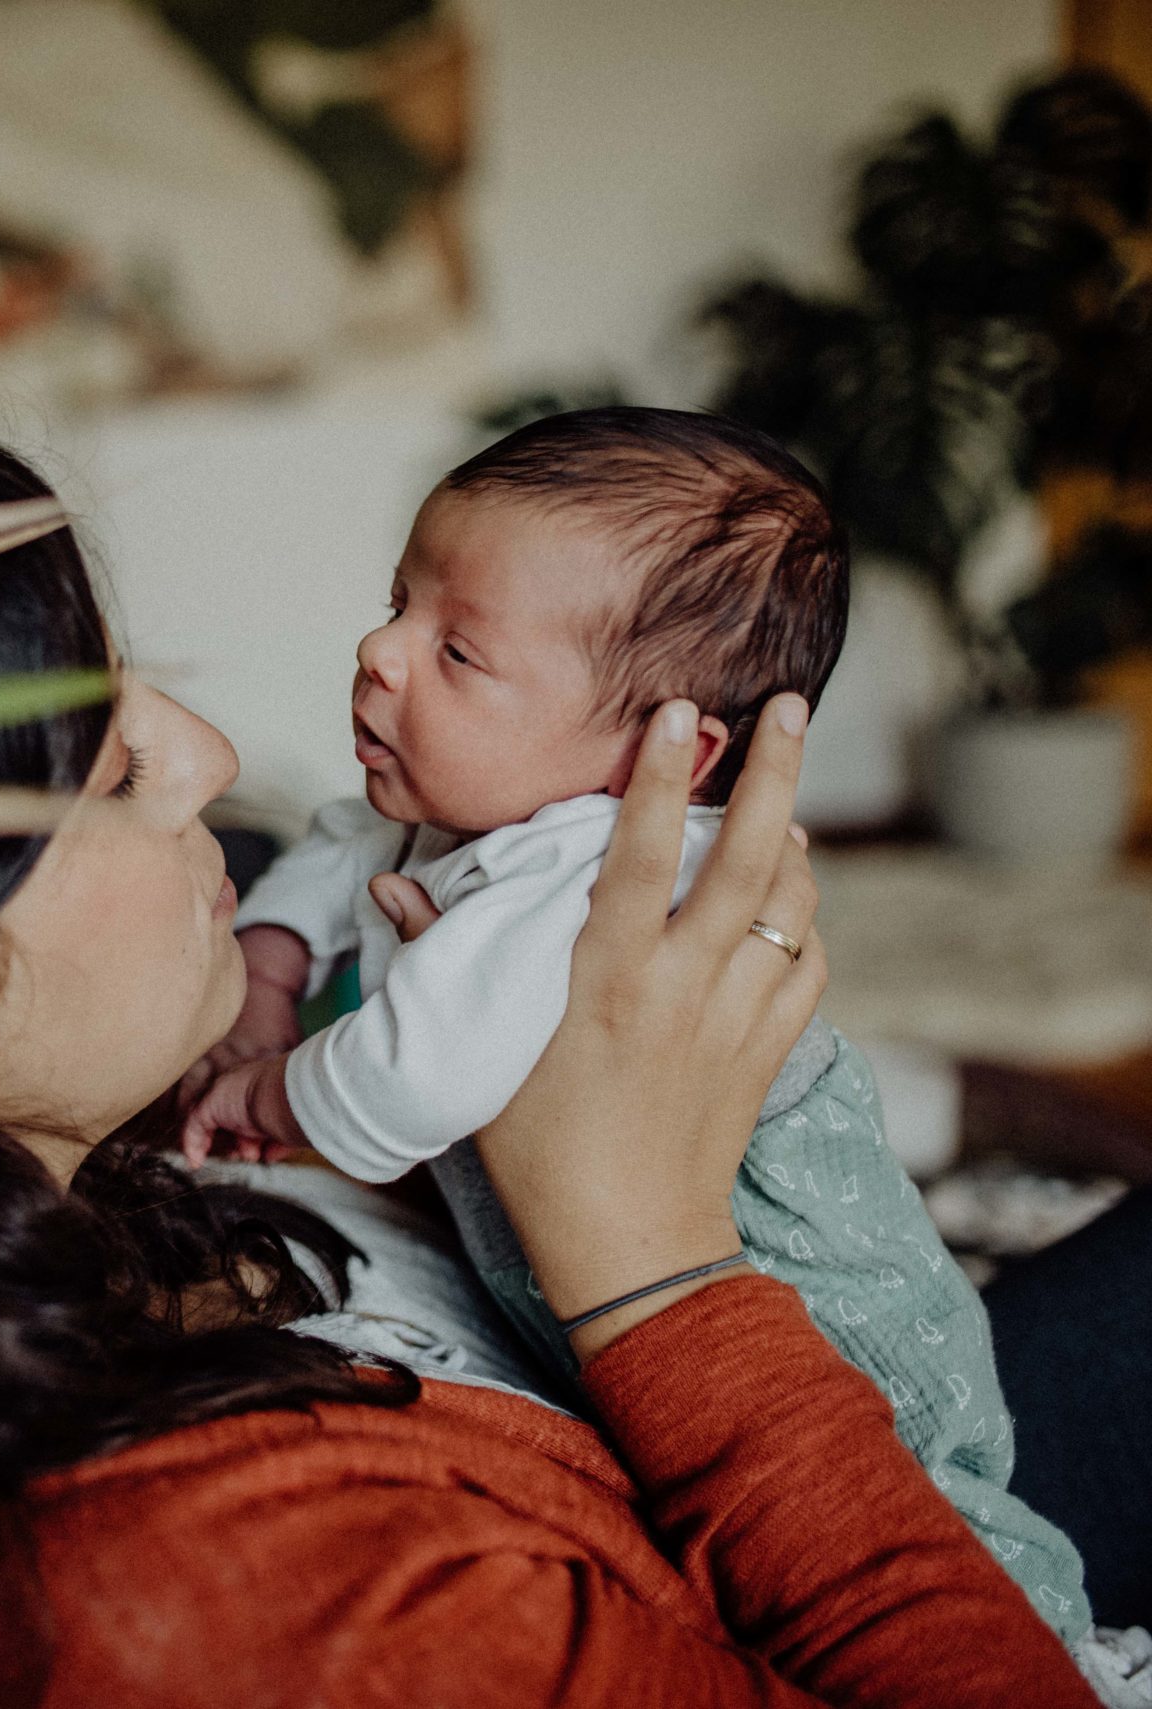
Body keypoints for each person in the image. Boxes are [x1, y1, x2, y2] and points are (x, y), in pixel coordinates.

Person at [0, 424, 1126, 1707]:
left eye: (142, 694)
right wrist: (654, 1259)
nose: (204, 752)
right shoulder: (259, 1608)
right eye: (108, 768)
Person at [173, 406, 1089, 1635]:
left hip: (825, 1342)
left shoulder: (586, 880)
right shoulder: (473, 805)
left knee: (964, 1542)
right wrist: (272, 963)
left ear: (652, 754)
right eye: (399, 600)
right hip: (606, 1313)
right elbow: (343, 847)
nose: (378, 648)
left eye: (458, 652)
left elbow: (410, 1084)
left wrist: (269, 1089)